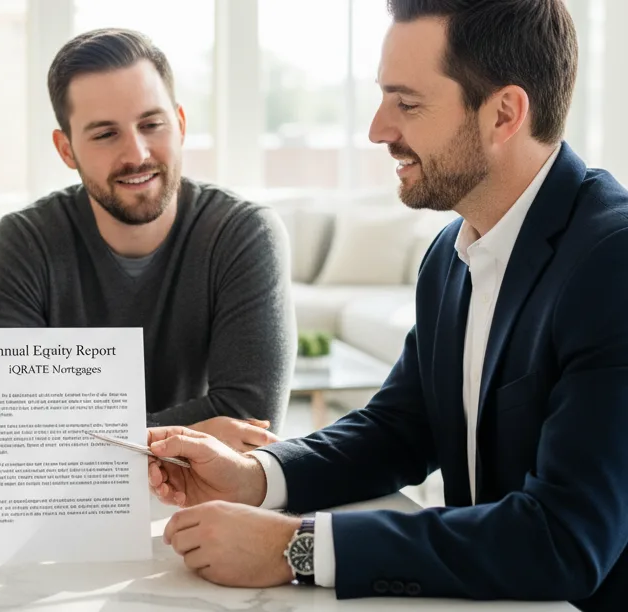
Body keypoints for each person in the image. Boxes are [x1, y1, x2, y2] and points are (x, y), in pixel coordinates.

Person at [147, 1, 627, 610]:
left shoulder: (613, 262)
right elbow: (399, 429)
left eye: (407, 103)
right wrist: (255, 476)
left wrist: (296, 547)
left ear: (504, 113)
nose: (377, 129)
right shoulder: (450, 256)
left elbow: (565, 539)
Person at [0, 29, 296, 451]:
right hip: (63, 504)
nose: (137, 153)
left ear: (180, 124)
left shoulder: (244, 234)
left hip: (203, 501)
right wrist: (184, 434)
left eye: (151, 124)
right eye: (105, 134)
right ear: (66, 150)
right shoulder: (23, 243)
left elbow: (251, 420)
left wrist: (65, 438)